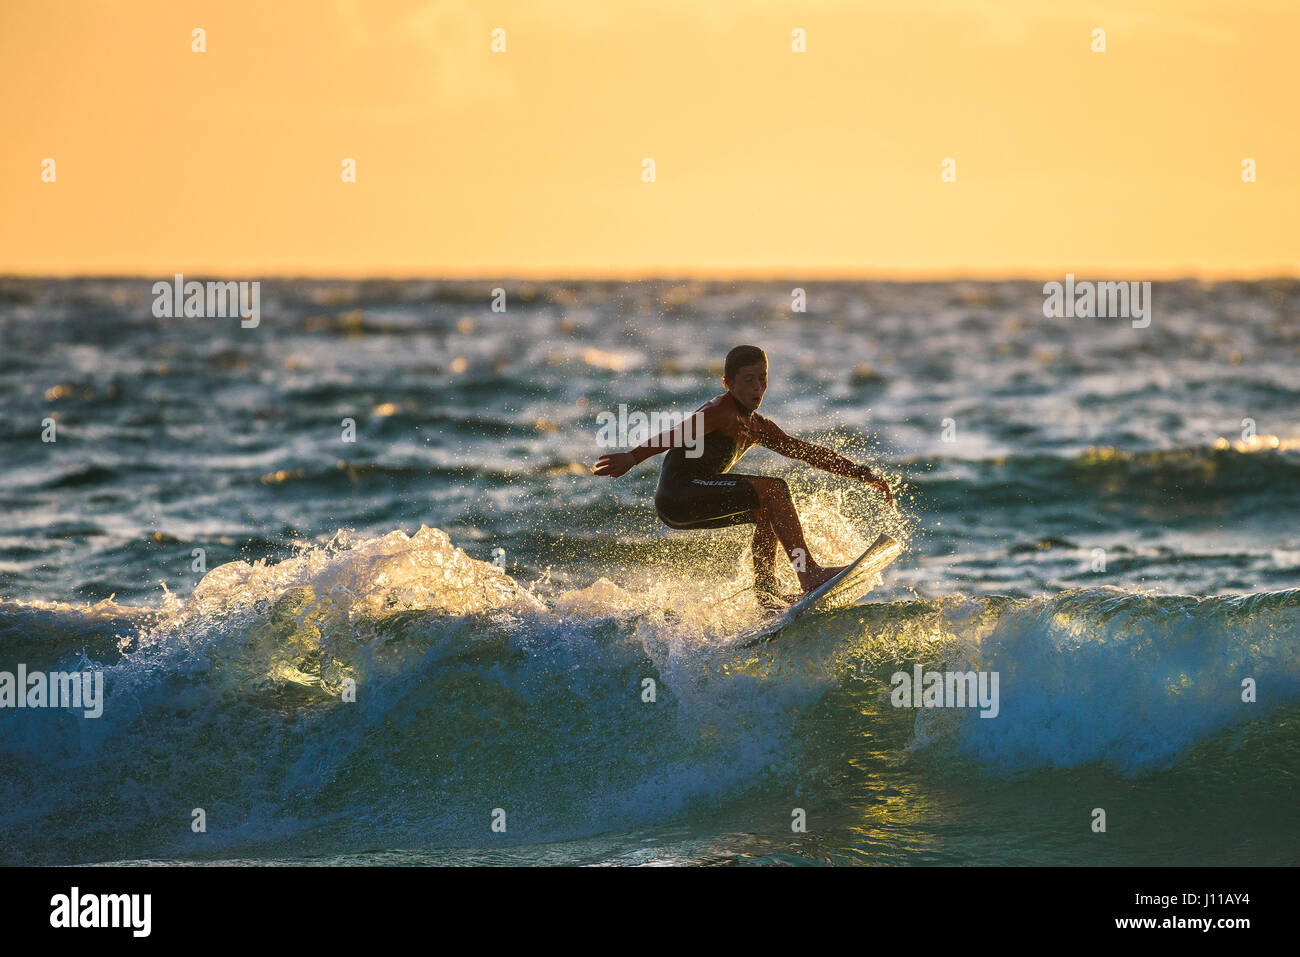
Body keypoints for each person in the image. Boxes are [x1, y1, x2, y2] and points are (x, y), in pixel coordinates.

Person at [593, 344, 894, 608]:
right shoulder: (719, 412)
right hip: (679, 494)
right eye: (748, 380)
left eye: (762, 379)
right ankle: (809, 574)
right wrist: (632, 457)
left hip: (687, 502)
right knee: (774, 490)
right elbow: (676, 433)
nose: (757, 388)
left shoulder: (758, 427)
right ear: (728, 382)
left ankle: (767, 596)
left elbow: (805, 452)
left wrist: (861, 473)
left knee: (765, 510)